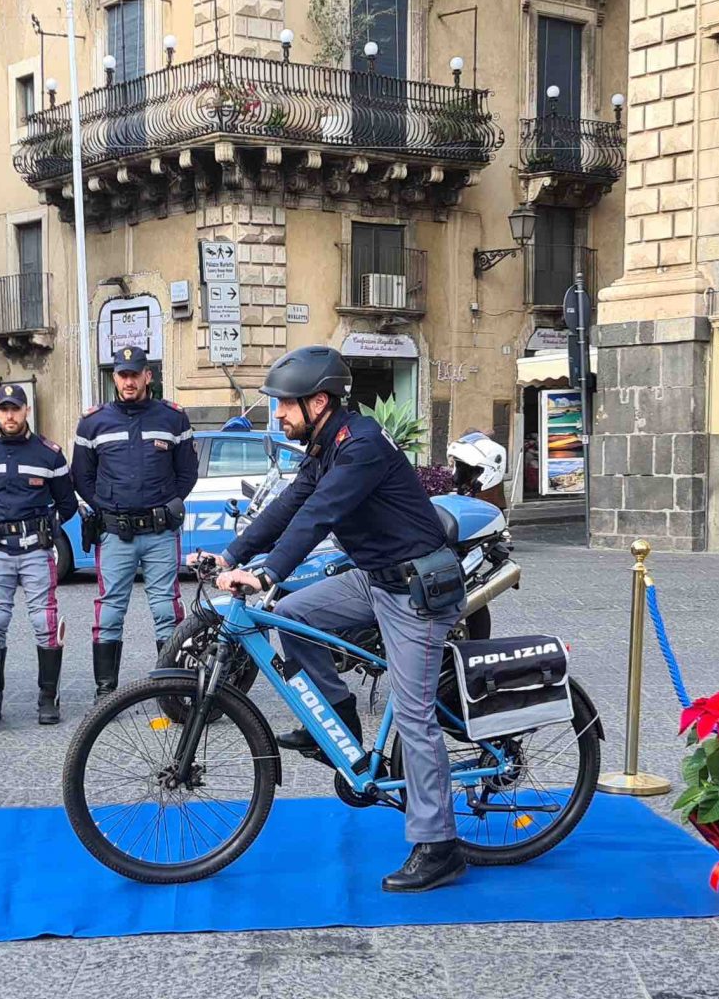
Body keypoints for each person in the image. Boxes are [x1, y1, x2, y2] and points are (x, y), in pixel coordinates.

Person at [216, 346, 465, 895]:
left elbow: (319, 514)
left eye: (284, 404)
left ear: (319, 401)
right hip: (373, 578)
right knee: (291, 615)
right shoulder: (325, 446)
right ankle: (340, 720)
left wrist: (269, 573)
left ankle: (440, 845)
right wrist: (233, 555)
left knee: (416, 714)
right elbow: (287, 506)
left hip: (415, 590)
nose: (278, 414)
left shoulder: (362, 447)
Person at [74, 345, 200, 697]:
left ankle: (171, 688)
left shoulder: (173, 418)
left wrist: (166, 503)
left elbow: (187, 473)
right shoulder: (93, 422)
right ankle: (105, 690)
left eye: (135, 374)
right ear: (114, 377)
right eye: (122, 374)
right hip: (115, 533)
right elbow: (82, 477)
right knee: (110, 610)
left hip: (160, 531)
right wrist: (107, 507)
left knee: (165, 608)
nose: (128, 382)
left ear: (148, 375)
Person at [0, 387, 78, 726]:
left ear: (27, 411)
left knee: (45, 624)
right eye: (3, 409)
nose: (10, 416)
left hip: (37, 551)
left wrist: (47, 527)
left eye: (16, 409)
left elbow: (67, 504)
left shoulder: (49, 454)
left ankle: (47, 698)